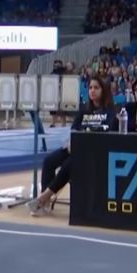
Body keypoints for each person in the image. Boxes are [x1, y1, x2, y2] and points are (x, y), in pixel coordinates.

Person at [30, 75, 116, 215]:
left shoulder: (110, 112)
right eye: (90, 88)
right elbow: (74, 129)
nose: (92, 91)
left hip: (93, 151)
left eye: (96, 88)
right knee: (49, 161)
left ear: (104, 90)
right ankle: (44, 200)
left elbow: (105, 132)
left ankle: (43, 199)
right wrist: (71, 142)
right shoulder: (84, 110)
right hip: (75, 147)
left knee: (68, 165)